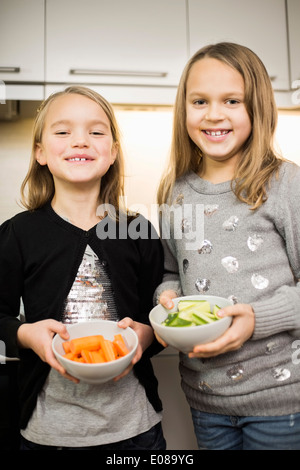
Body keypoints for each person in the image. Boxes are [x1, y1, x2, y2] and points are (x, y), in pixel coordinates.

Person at [0, 85, 166, 450]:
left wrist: (148, 333)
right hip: (47, 432)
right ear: (40, 153)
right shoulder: (18, 233)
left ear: (113, 153)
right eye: (63, 132)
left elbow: (158, 310)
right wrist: (26, 335)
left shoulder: (137, 231)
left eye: (95, 131)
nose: (80, 141)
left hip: (135, 428)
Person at [155, 42, 300, 450]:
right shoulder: (175, 191)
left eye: (231, 100)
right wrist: (165, 297)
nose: (214, 114)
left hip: (282, 399)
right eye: (199, 101)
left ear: (258, 107)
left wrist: (258, 318)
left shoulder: (286, 184)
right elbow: (171, 273)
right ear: (184, 109)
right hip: (206, 400)